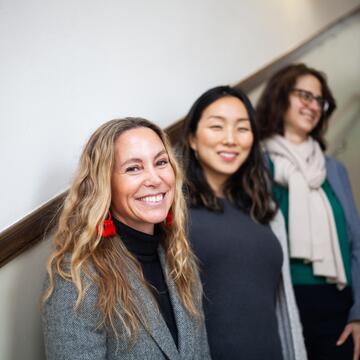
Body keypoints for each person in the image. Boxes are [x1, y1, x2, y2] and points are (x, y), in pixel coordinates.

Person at [42, 118, 211, 360]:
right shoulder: (77, 278)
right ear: (105, 184)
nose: (155, 178)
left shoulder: (178, 254)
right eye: (133, 168)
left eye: (161, 162)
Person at [180, 86, 307, 359]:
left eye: (242, 128)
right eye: (217, 126)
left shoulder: (265, 209)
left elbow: (280, 307)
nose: (230, 139)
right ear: (192, 137)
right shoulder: (173, 211)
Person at [256, 63, 360, 360]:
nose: (313, 105)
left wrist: (358, 314)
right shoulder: (257, 164)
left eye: (320, 100)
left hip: (338, 308)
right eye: (305, 95)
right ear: (280, 96)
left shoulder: (333, 168)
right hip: (280, 305)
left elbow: (356, 242)